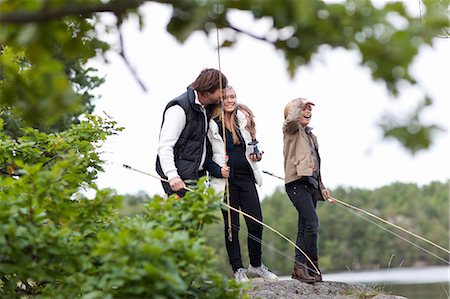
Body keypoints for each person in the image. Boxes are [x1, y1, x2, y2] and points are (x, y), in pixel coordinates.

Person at [205, 86, 278, 282]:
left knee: (256, 222)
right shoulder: (212, 124)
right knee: (232, 227)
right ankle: (237, 269)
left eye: (233, 97)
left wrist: (257, 155)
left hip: (247, 178)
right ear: (219, 100)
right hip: (226, 182)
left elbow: (252, 147)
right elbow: (205, 158)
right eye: (226, 97)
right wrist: (217, 170)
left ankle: (255, 265)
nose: (230, 100)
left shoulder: (242, 120)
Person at [156, 68, 228, 197]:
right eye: (220, 90)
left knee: (198, 217)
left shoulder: (205, 109)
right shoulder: (179, 109)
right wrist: (173, 175)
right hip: (178, 179)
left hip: (195, 176)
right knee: (181, 217)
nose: (223, 94)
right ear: (208, 90)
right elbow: (165, 146)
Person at [282, 97, 330, 283]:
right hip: (296, 183)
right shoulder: (291, 130)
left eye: (310, 109)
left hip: (310, 184)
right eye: (304, 109)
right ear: (294, 111)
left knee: (304, 228)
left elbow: (315, 164)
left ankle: (300, 269)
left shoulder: (311, 136)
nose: (308, 111)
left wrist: (322, 186)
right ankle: (310, 265)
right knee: (312, 224)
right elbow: (292, 120)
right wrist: (299, 102)